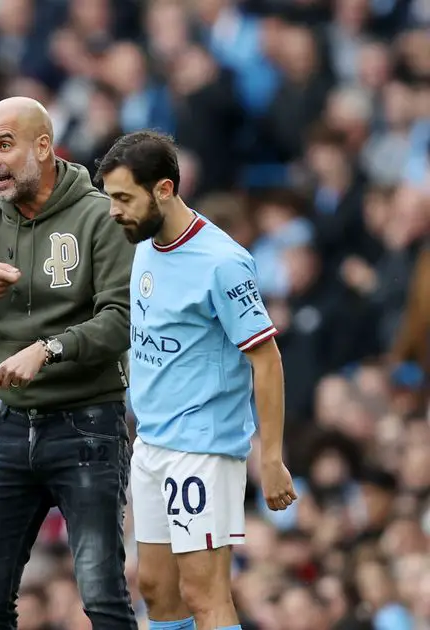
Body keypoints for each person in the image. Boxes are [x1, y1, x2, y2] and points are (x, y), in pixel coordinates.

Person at [0, 96, 137, 629]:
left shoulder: (98, 215)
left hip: (90, 421)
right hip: (13, 427)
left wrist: (48, 349)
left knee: (103, 597)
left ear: (43, 147)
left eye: (3, 144)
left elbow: (123, 319)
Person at [98, 131, 298, 630]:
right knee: (156, 590)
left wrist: (270, 458)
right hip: (152, 441)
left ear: (163, 190)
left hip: (203, 446)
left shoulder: (223, 263)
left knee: (203, 592)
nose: (113, 211)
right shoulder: (143, 245)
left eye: (124, 198)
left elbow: (267, 360)